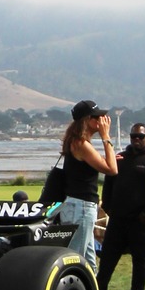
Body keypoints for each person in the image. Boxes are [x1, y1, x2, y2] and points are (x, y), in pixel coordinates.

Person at [97, 122, 145, 290]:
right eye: (133, 137)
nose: (137, 140)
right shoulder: (121, 158)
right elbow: (109, 182)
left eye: (141, 137)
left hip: (141, 219)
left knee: (140, 257)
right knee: (108, 256)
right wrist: (107, 206)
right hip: (118, 218)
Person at [56, 100, 117, 269]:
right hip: (81, 206)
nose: (102, 121)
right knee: (76, 258)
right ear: (87, 120)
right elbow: (112, 169)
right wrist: (106, 137)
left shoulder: (76, 142)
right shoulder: (81, 144)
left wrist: (108, 157)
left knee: (89, 260)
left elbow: (99, 164)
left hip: (77, 205)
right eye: (97, 117)